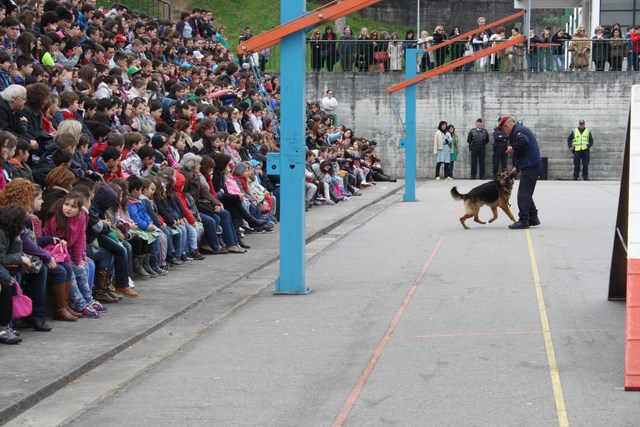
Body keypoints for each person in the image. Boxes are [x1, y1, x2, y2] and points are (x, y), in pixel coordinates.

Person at [499, 116, 542, 229]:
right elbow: (522, 151)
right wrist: (516, 167)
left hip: (531, 165)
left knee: (523, 194)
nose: (504, 131)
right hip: (531, 164)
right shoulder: (519, 130)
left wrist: (512, 148)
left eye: (504, 128)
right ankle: (533, 217)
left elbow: (523, 141)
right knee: (526, 192)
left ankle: (524, 220)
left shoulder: (518, 131)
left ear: (507, 126)